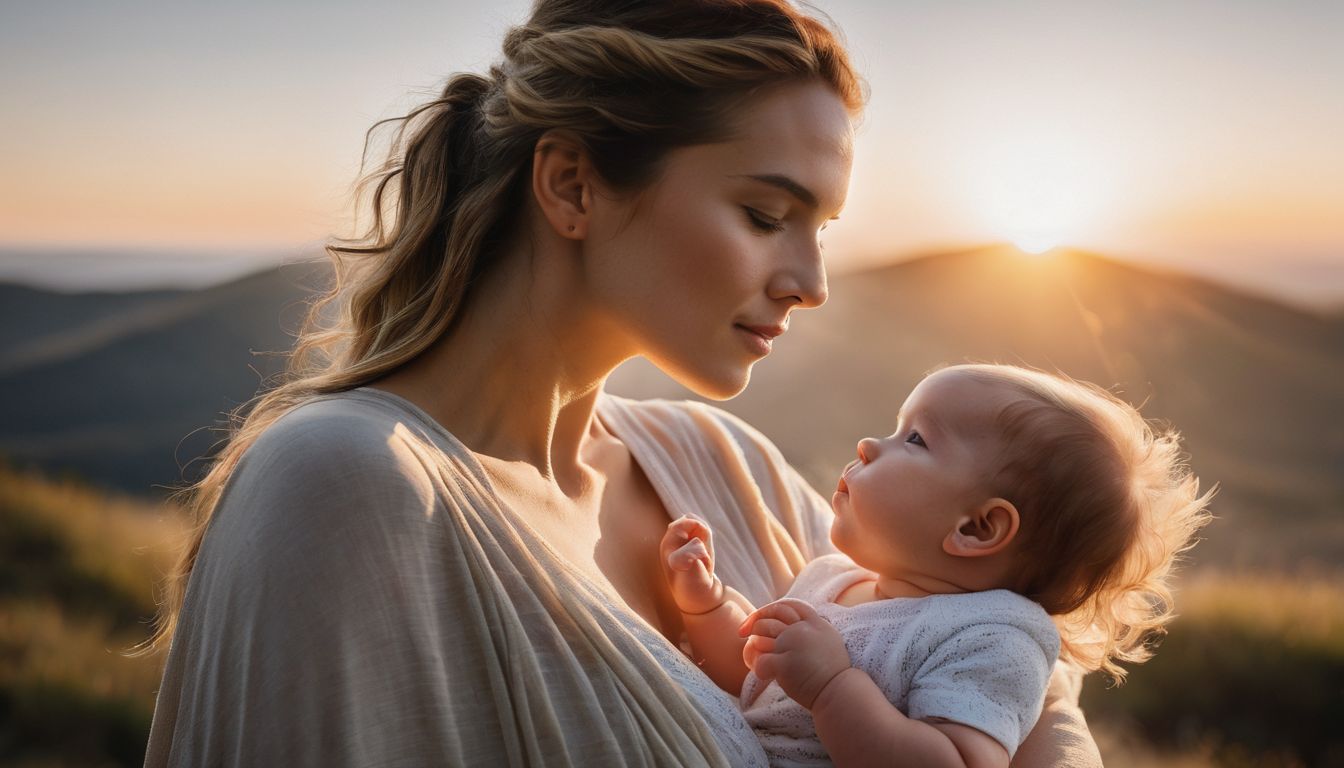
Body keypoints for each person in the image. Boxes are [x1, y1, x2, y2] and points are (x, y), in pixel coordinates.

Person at [141, 1, 1103, 765]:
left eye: (822, 232)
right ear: (572, 187)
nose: (811, 283)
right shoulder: (347, 484)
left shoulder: (726, 464)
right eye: (768, 214)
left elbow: (1006, 655)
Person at [660, 364, 1213, 767]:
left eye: (916, 439)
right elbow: (753, 672)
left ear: (977, 528)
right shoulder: (834, 579)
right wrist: (708, 603)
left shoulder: (993, 638)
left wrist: (833, 689)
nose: (869, 445)